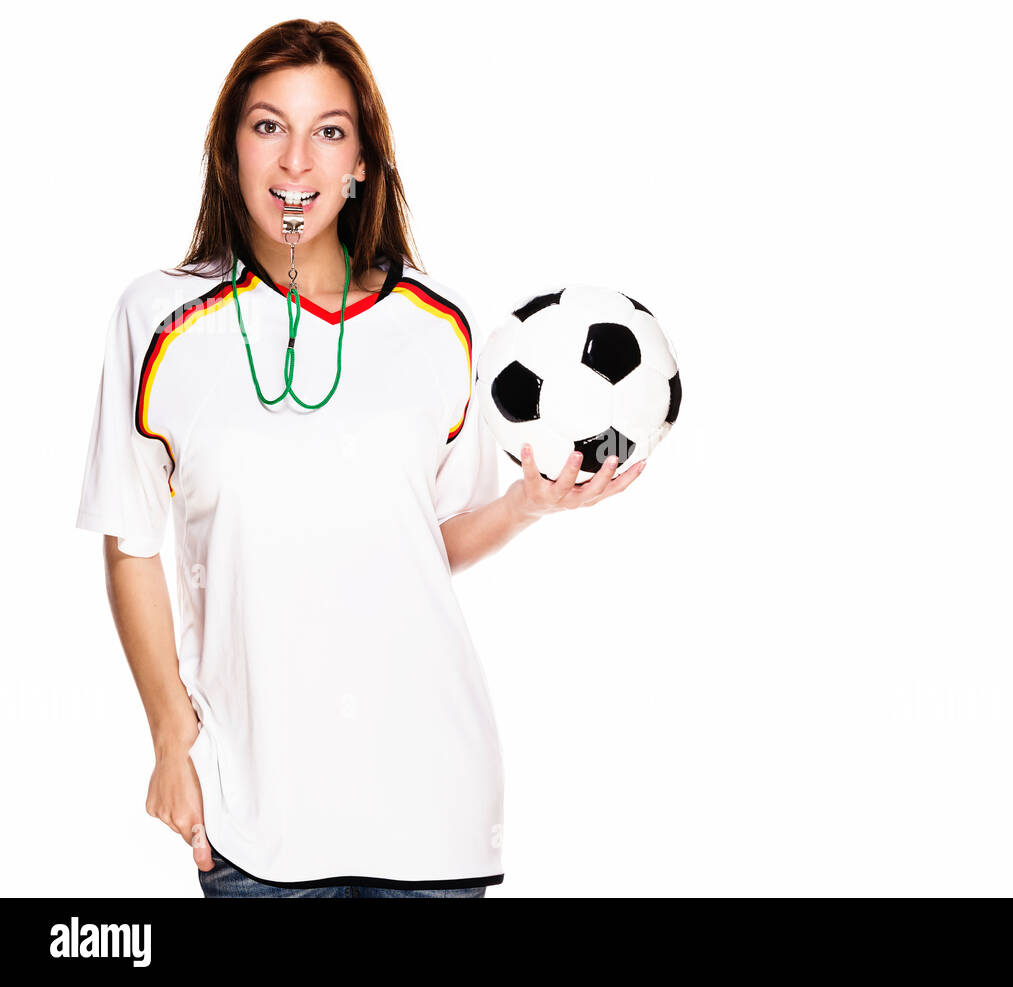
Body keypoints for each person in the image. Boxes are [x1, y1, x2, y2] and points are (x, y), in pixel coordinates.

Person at [74, 19, 645, 898]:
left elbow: (430, 541)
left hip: (432, 811)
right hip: (253, 816)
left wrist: (528, 506)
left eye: (328, 131)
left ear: (363, 162)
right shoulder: (156, 319)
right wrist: (166, 733)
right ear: (229, 148)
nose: (297, 161)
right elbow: (129, 541)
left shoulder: (439, 327)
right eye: (268, 126)